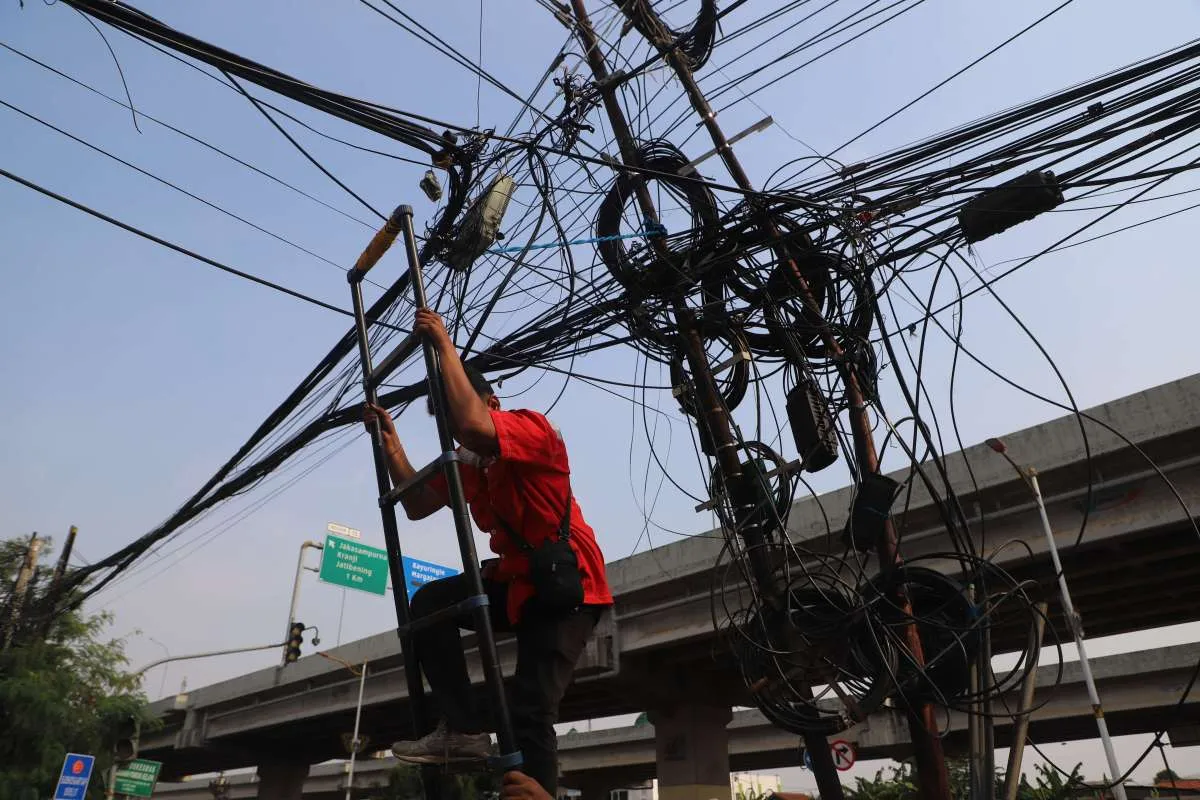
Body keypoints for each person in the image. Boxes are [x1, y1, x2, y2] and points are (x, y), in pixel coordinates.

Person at [364, 308, 613, 796]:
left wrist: (444, 347)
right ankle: (462, 728)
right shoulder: (469, 462)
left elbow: (475, 426)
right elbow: (415, 503)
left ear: (491, 400)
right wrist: (389, 444)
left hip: (569, 585)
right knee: (429, 606)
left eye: (456, 411)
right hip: (519, 584)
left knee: (529, 709)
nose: (453, 430)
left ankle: (536, 791)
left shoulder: (532, 431)